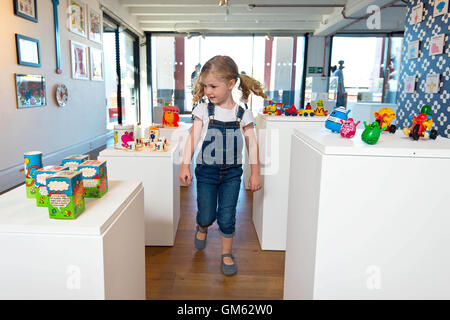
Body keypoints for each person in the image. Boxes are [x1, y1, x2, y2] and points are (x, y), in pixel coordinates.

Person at [179, 55, 265, 276]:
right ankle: (202, 226)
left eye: (213, 86)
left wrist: (255, 173)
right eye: (205, 85)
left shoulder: (242, 114)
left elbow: (252, 145)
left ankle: (226, 254)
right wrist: (184, 165)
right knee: (207, 214)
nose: (208, 90)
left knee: (227, 216)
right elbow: (193, 138)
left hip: (232, 175)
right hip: (206, 172)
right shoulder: (203, 110)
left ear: (230, 84)